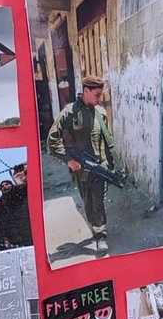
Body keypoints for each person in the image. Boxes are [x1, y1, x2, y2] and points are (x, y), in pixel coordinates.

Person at [46, 75, 125, 256]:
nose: (100, 99)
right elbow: (52, 140)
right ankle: (96, 227)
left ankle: (100, 236)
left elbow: (108, 142)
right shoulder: (69, 112)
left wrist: (113, 165)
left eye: (101, 95)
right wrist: (69, 160)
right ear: (86, 91)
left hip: (99, 167)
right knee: (88, 202)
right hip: (81, 170)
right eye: (97, 95)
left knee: (98, 202)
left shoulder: (101, 113)